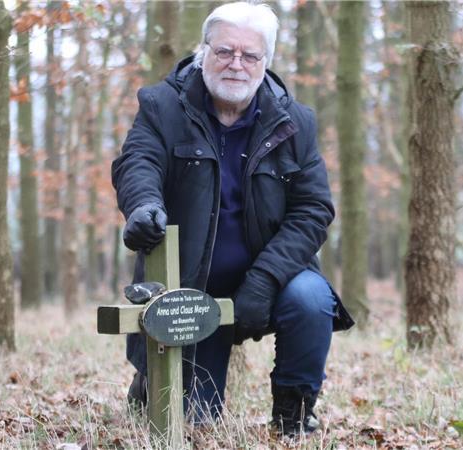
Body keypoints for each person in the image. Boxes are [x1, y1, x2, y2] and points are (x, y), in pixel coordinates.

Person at [111, 1, 354, 436]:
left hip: (274, 277)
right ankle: (151, 383)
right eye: (224, 51)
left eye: (249, 55)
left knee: (312, 299)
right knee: (193, 424)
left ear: (266, 62)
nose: (235, 64)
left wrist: (264, 279)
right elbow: (138, 163)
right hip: (189, 285)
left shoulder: (297, 123)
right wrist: (143, 205)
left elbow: (314, 209)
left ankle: (293, 414)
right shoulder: (161, 105)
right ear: (203, 51)